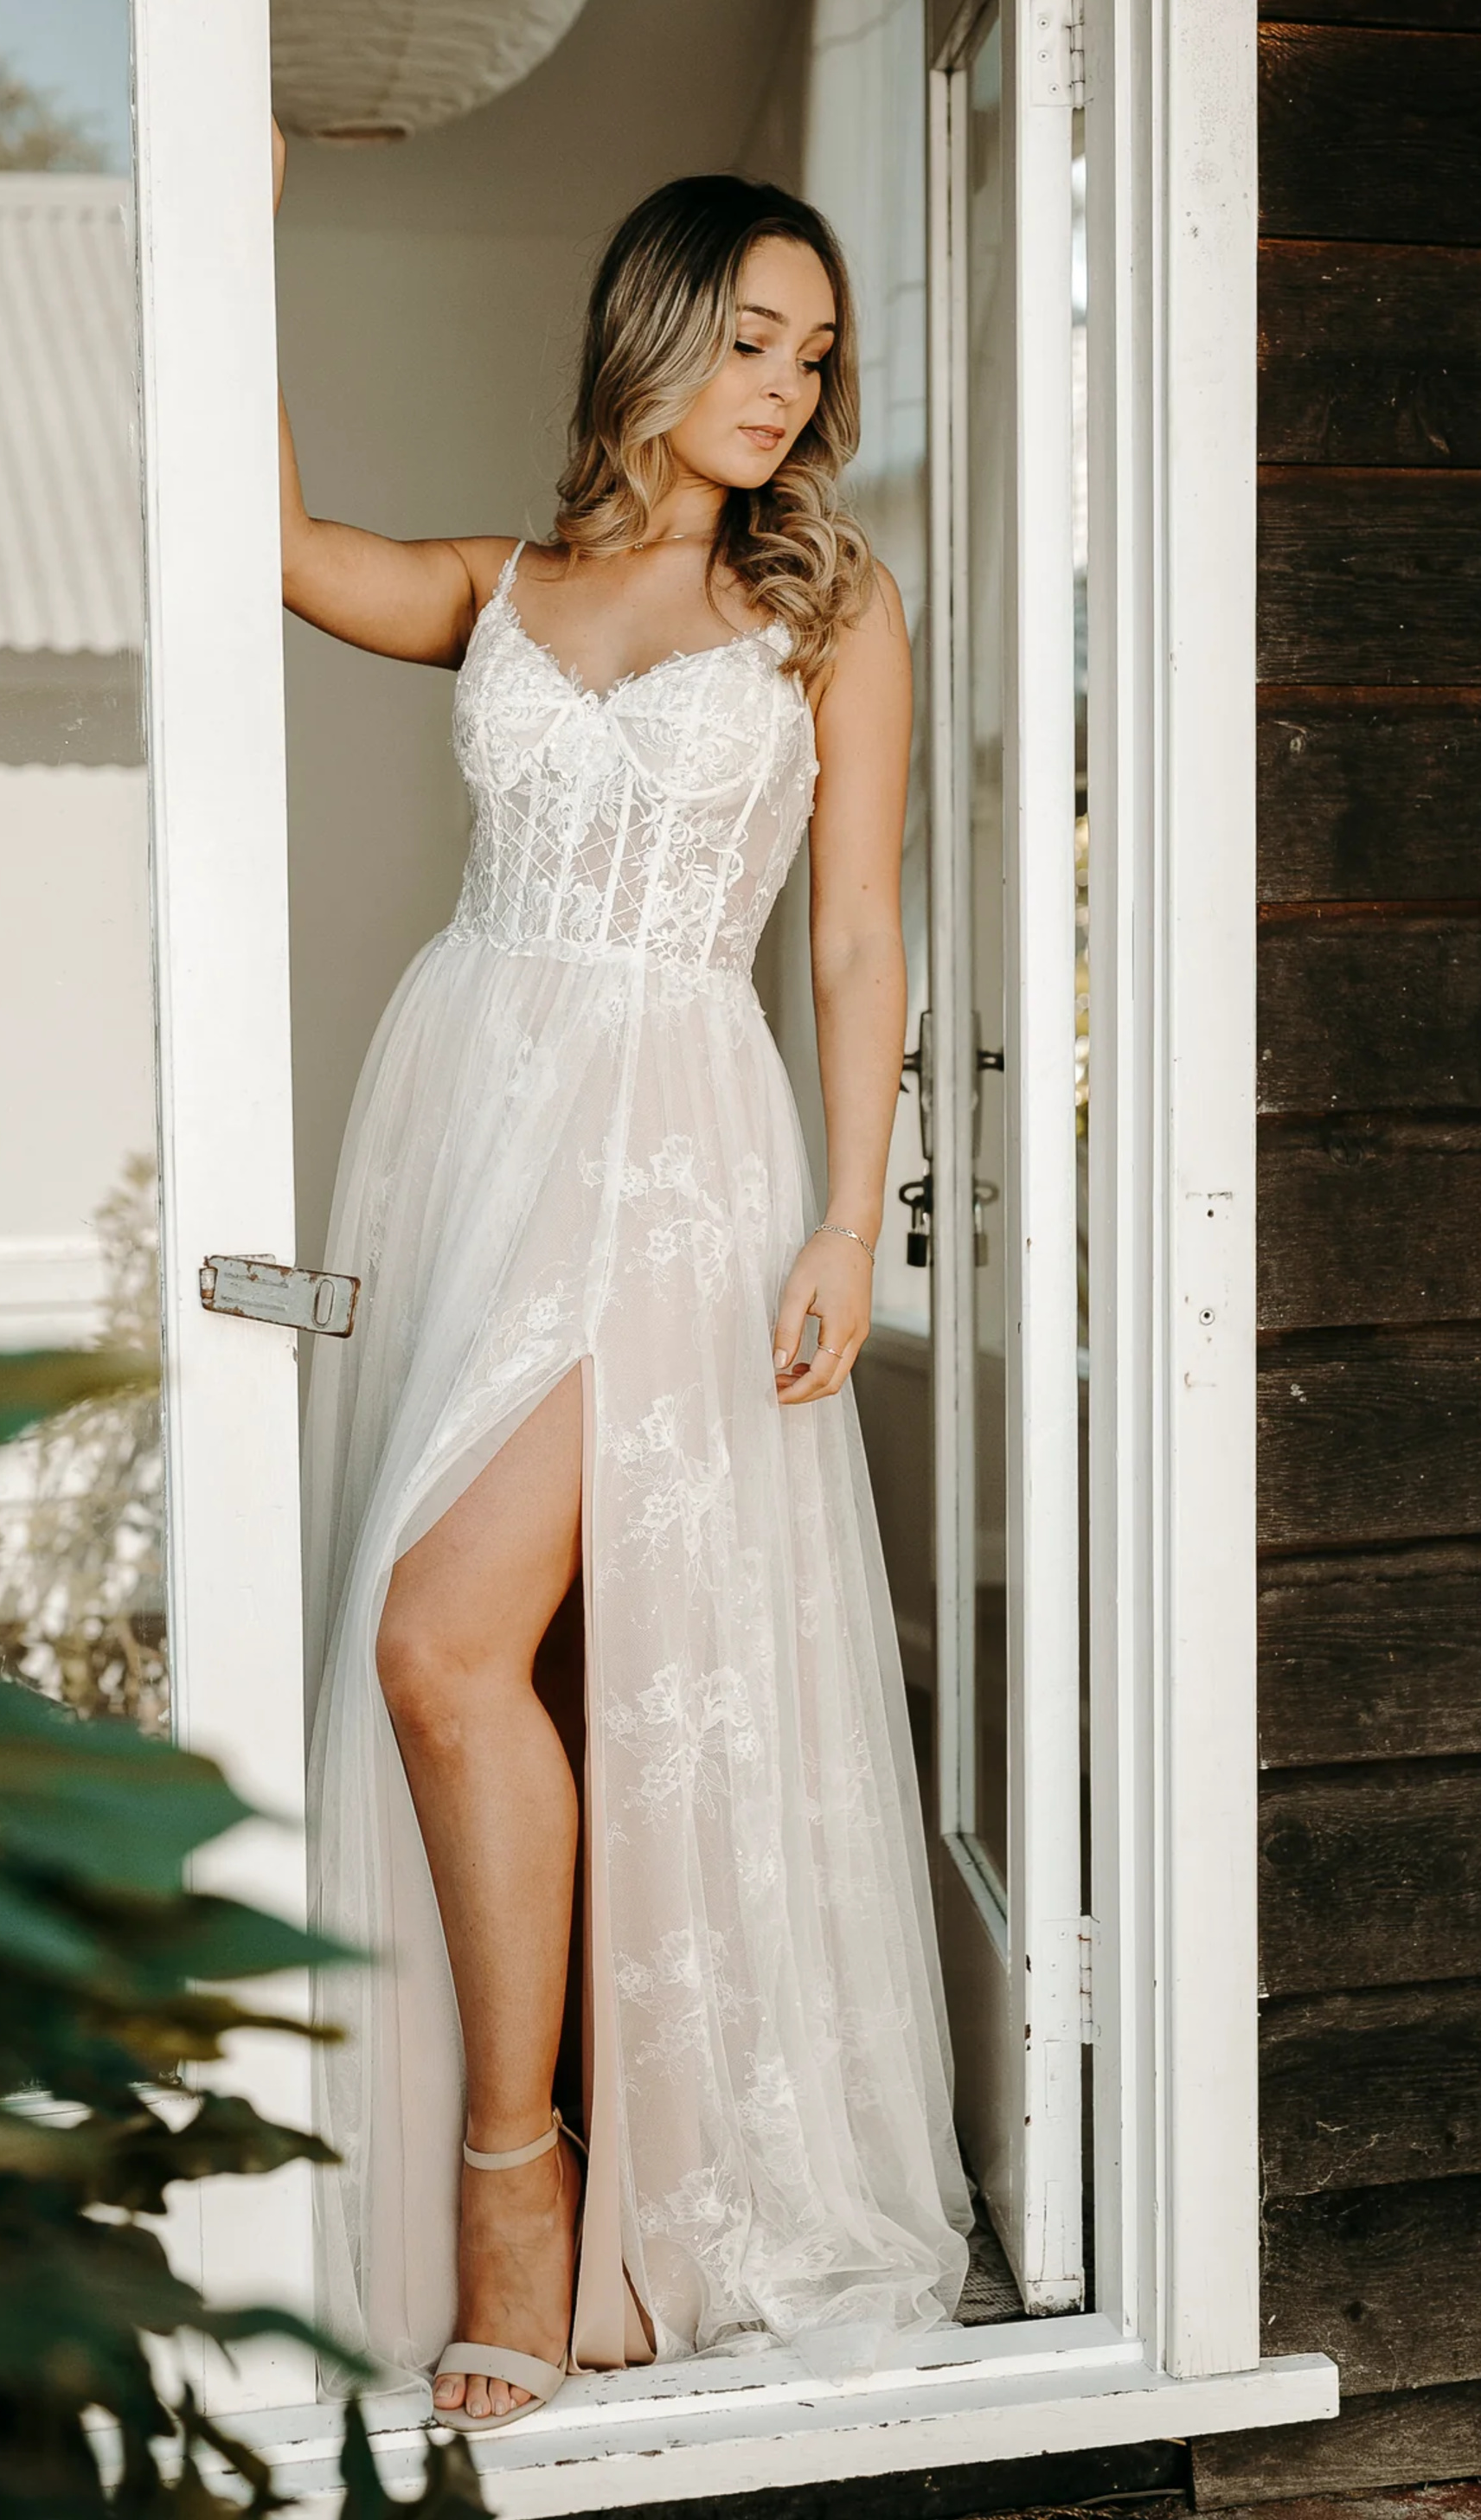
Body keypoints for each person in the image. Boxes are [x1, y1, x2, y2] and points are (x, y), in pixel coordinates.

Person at [283, 125, 971, 2436]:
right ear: (653, 336)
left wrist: (850, 1211)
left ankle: (523, 2182)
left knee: (445, 1637)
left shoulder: (829, 610)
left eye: (816, 355)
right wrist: (229, 211)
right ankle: (557, 2148)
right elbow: (271, 545)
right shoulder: (500, 584)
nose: (786, 386)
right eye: (751, 337)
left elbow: (855, 933)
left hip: (674, 1157)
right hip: (474, 1129)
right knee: (536, 1659)